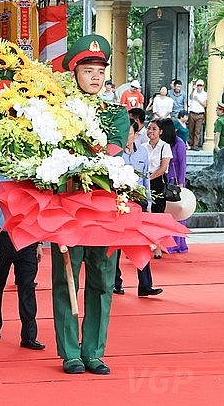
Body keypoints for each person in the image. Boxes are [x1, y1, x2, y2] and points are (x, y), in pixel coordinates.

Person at [54, 34, 129, 375]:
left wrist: (78, 153)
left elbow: (110, 150)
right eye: (88, 70)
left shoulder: (116, 114)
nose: (96, 77)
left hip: (104, 208)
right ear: (75, 74)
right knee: (66, 278)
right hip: (68, 207)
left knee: (101, 280)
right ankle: (70, 351)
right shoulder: (57, 113)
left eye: (100, 70)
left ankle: (94, 350)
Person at [0, 171, 45, 350]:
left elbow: (37, 210)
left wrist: (39, 242)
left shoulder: (31, 179)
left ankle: (29, 335)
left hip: (27, 238)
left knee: (27, 286)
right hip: (0, 236)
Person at [115, 121, 162, 296]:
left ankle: (145, 285)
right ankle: (115, 282)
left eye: (129, 133)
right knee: (117, 245)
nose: (126, 137)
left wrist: (148, 203)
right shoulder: (115, 153)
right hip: (120, 202)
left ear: (135, 134)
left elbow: (146, 179)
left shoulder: (142, 151)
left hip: (138, 201)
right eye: (124, 133)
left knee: (141, 243)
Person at [143, 119, 172, 260]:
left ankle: (158, 247)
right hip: (143, 183)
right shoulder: (142, 147)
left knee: (158, 215)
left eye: (154, 129)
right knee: (144, 215)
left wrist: (150, 178)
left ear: (160, 131)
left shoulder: (164, 147)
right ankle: (143, 245)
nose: (150, 131)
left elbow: (163, 168)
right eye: (149, 128)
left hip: (157, 183)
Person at [162, 118, 188, 255]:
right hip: (165, 180)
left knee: (178, 213)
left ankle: (178, 244)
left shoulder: (179, 143)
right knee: (167, 214)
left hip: (176, 181)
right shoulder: (163, 143)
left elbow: (183, 164)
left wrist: (181, 183)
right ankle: (168, 242)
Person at [188, 79, 207, 150]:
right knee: (191, 130)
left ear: (203, 86)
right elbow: (190, 97)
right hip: (192, 113)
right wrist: (193, 90)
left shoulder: (205, 94)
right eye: (198, 85)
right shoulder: (194, 92)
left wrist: (198, 99)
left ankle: (195, 145)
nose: (199, 87)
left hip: (200, 114)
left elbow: (205, 105)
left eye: (200, 85)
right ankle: (190, 144)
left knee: (197, 131)